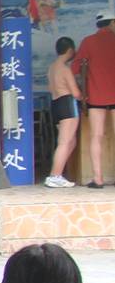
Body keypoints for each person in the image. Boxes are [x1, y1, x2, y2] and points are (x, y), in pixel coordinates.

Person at [72, 14, 115, 188]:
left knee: (96, 136)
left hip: (96, 97)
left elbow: (75, 68)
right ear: (112, 23)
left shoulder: (88, 41)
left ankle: (98, 179)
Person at [45, 36, 81, 188]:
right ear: (71, 50)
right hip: (67, 104)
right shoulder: (65, 69)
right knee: (65, 142)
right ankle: (55, 175)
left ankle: (58, 173)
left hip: (55, 104)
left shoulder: (52, 68)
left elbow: (50, 88)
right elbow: (75, 93)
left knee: (70, 142)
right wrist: (84, 95)